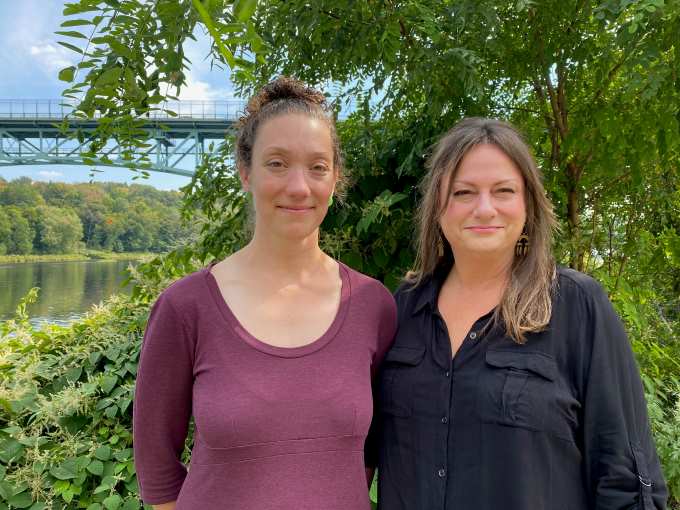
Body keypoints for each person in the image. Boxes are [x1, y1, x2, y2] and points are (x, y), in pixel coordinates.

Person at [133, 77, 396, 509]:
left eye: (317, 166)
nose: (299, 187)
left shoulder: (373, 306)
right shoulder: (185, 308)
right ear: (245, 172)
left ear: (335, 179)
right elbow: (157, 469)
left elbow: (372, 449)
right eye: (276, 163)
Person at [377, 117, 667, 509]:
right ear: (436, 208)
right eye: (463, 192)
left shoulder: (577, 307)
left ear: (528, 204)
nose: (484, 208)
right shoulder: (403, 308)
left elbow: (627, 480)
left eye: (503, 191)